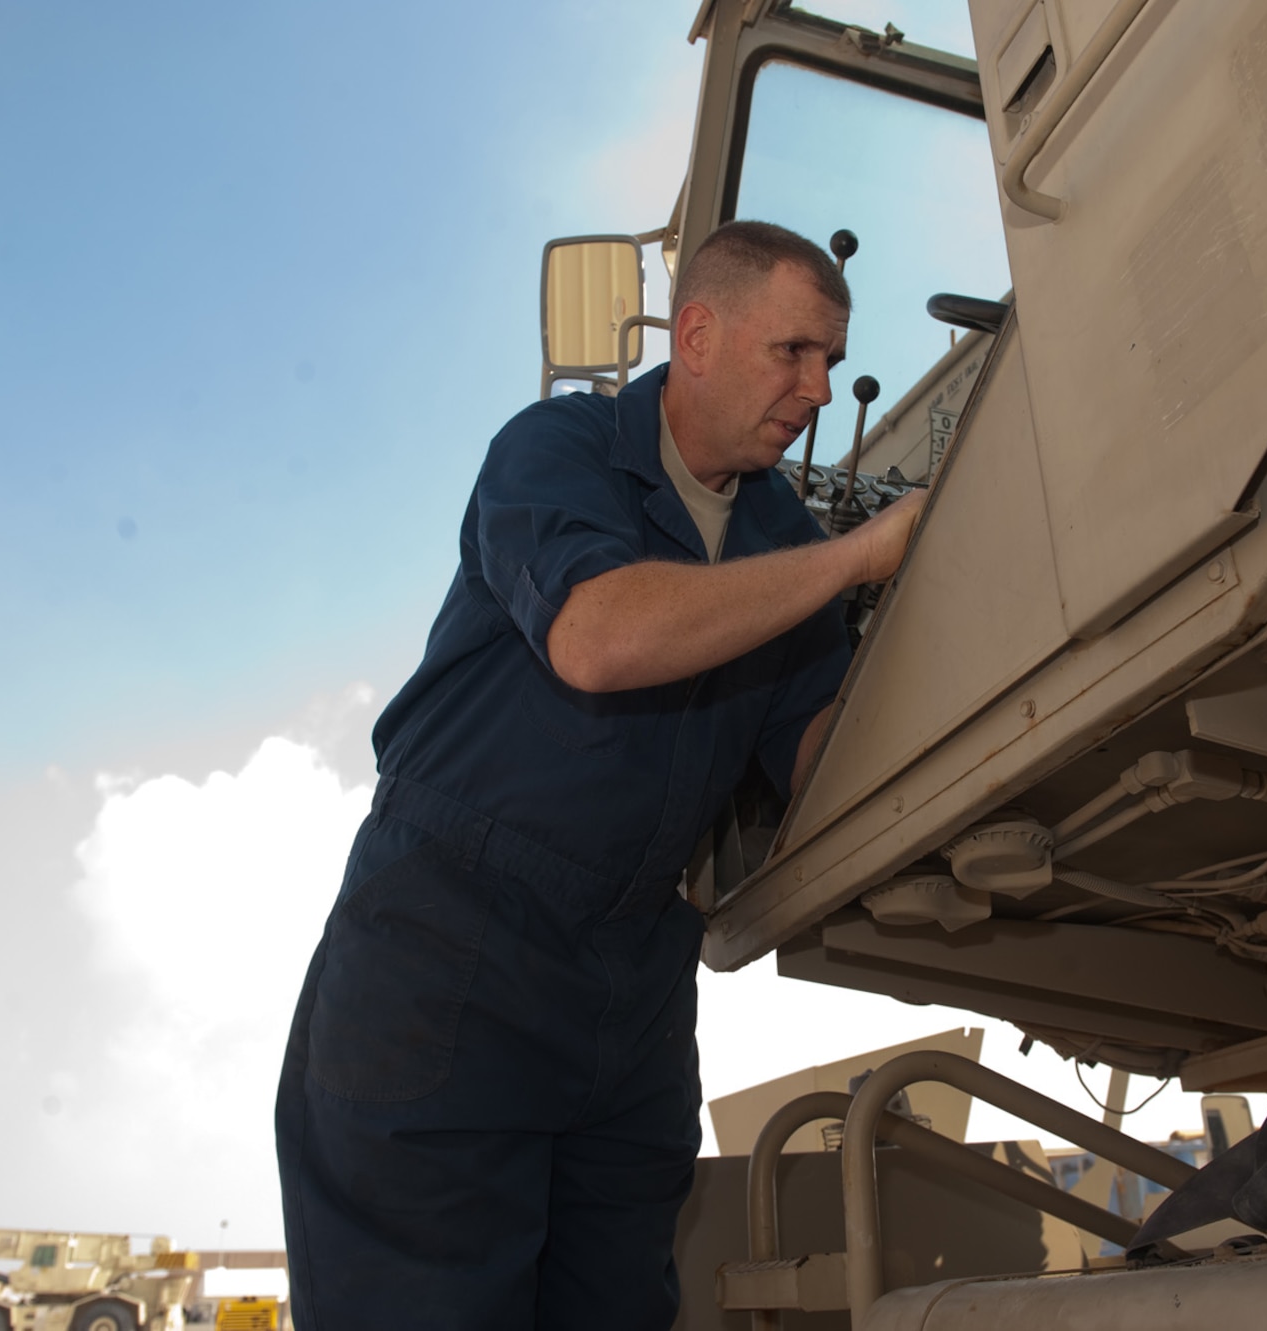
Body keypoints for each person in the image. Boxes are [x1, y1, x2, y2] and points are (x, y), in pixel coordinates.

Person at [275, 220, 922, 1329]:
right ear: (701, 334)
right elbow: (598, 637)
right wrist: (860, 557)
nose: (817, 388)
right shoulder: (558, 449)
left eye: (830, 358)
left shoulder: (779, 535)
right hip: (450, 945)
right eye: (793, 353)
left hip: (632, 986)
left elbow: (815, 759)